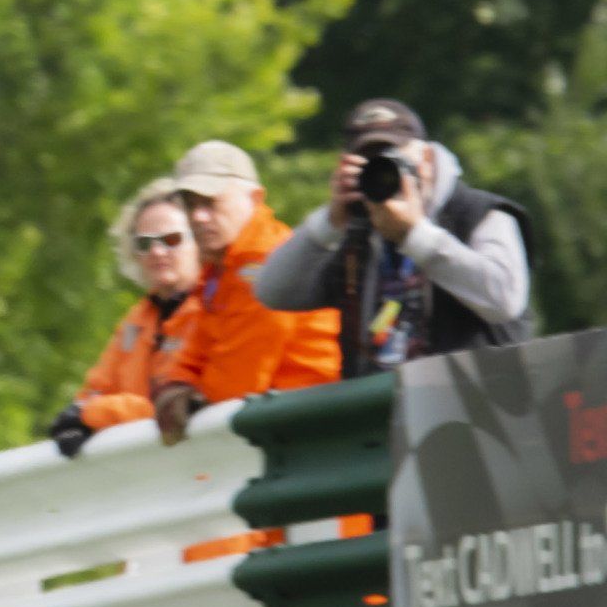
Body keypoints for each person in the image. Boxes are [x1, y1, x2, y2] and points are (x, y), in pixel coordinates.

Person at [253, 99, 533, 376]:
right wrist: (329, 222)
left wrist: (416, 236)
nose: (383, 170)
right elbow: (273, 292)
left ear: (426, 159)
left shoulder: (480, 214)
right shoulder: (355, 236)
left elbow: (504, 299)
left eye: (393, 157)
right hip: (383, 412)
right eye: (368, 161)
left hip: (475, 409)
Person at [151, 141, 341, 444]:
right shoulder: (220, 269)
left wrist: (187, 394)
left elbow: (236, 387)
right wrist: (176, 383)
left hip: (317, 432)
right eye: (190, 204)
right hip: (289, 431)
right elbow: (197, 346)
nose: (198, 217)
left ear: (255, 198)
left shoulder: (263, 261)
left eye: (210, 201)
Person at [48, 178, 202, 457]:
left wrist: (93, 414)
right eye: (145, 243)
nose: (157, 252)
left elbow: (176, 408)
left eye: (171, 239)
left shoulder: (215, 308)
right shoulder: (138, 320)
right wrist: (84, 415)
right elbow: (94, 392)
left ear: (199, 243)